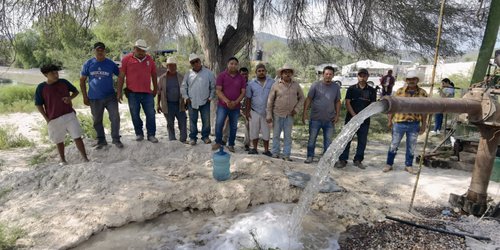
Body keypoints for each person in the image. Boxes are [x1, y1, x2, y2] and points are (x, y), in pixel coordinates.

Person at [35, 64, 89, 164]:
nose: (56, 75)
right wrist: (47, 119)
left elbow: (76, 91)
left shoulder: (63, 82)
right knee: (59, 140)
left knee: (77, 136)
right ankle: (63, 160)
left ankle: (85, 158)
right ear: (46, 75)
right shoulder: (41, 88)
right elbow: (38, 105)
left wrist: (70, 98)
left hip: (69, 114)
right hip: (54, 118)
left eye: (57, 72)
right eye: (53, 73)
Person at [383, 70, 428, 174]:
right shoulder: (399, 91)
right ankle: (389, 164)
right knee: (394, 144)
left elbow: (425, 110)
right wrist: (390, 120)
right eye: (410, 79)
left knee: (411, 146)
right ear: (407, 80)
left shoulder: (422, 93)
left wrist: (424, 124)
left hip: (414, 123)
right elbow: (392, 107)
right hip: (399, 122)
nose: (412, 81)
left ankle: (408, 165)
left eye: (414, 79)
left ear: (417, 80)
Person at [80, 42, 123, 149]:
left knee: (115, 118)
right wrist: (85, 96)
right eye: (98, 50)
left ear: (105, 51)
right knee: (97, 120)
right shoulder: (88, 64)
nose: (100, 52)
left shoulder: (111, 64)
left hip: (110, 97)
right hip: (94, 98)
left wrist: (119, 92)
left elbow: (121, 76)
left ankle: (116, 139)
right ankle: (101, 140)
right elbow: (82, 80)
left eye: (102, 50)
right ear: (94, 51)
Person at [117, 39, 158, 143]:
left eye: (143, 50)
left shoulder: (149, 59)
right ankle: (139, 133)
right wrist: (119, 92)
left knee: (151, 114)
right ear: (134, 49)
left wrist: (156, 88)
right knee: (135, 114)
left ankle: (151, 135)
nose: (141, 52)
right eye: (139, 50)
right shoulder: (126, 59)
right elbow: (121, 76)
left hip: (147, 92)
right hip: (132, 93)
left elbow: (154, 74)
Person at [336, 68, 377, 169]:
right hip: (351, 119)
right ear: (357, 76)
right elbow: (347, 102)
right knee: (346, 139)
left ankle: (358, 160)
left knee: (362, 141)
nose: (362, 78)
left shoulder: (371, 90)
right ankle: (343, 160)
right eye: (360, 76)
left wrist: (363, 117)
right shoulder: (351, 89)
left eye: (364, 76)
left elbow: (372, 105)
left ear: (367, 77)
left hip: (365, 120)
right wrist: (354, 115)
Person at [303, 66, 341, 164]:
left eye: (330, 74)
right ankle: (310, 156)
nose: (328, 76)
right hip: (315, 118)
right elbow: (309, 99)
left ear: (333, 75)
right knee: (312, 139)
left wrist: (337, 115)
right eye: (326, 74)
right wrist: (305, 113)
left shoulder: (336, 87)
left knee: (328, 141)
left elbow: (337, 102)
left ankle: (326, 159)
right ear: (323, 74)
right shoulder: (315, 85)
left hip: (330, 119)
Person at [267, 64, 305, 161]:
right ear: (281, 74)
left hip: (290, 115)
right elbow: (270, 101)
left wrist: (296, 109)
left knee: (288, 136)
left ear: (292, 74)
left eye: (289, 72)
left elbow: (302, 98)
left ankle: (286, 155)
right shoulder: (276, 85)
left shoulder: (296, 85)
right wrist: (269, 114)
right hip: (277, 113)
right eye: (285, 72)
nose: (287, 74)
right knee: (276, 135)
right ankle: (275, 153)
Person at [212, 57, 246, 152]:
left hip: (235, 106)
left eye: (235, 64)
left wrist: (235, 102)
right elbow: (218, 91)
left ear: (237, 65)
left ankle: (231, 144)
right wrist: (227, 101)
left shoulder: (241, 78)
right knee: (219, 124)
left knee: (233, 126)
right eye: (231, 63)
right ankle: (218, 142)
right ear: (228, 64)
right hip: (223, 105)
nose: (233, 65)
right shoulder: (221, 76)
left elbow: (243, 92)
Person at [181, 53, 216, 145]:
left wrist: (210, 97)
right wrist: (186, 97)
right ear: (191, 64)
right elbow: (183, 87)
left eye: (197, 61)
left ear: (200, 61)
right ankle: (193, 138)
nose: (195, 64)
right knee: (192, 120)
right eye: (193, 62)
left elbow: (213, 87)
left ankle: (205, 137)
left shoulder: (208, 73)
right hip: (192, 101)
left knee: (206, 120)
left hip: (205, 101)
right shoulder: (188, 74)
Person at [245, 64, 275, 156]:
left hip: (267, 111)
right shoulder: (251, 84)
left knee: (266, 131)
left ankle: (266, 150)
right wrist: (247, 111)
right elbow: (248, 98)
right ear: (256, 72)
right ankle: (254, 148)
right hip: (254, 111)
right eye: (259, 71)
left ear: (266, 72)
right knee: (254, 131)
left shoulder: (272, 82)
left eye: (263, 71)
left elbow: (275, 96)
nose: (261, 72)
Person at [157, 57, 187, 142]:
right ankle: (172, 140)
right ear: (167, 66)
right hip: (167, 104)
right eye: (170, 66)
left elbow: (185, 90)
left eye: (174, 65)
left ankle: (183, 139)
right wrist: (158, 104)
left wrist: (186, 102)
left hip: (180, 103)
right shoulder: (162, 78)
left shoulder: (181, 77)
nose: (172, 67)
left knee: (183, 122)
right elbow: (159, 92)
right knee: (170, 123)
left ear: (176, 66)